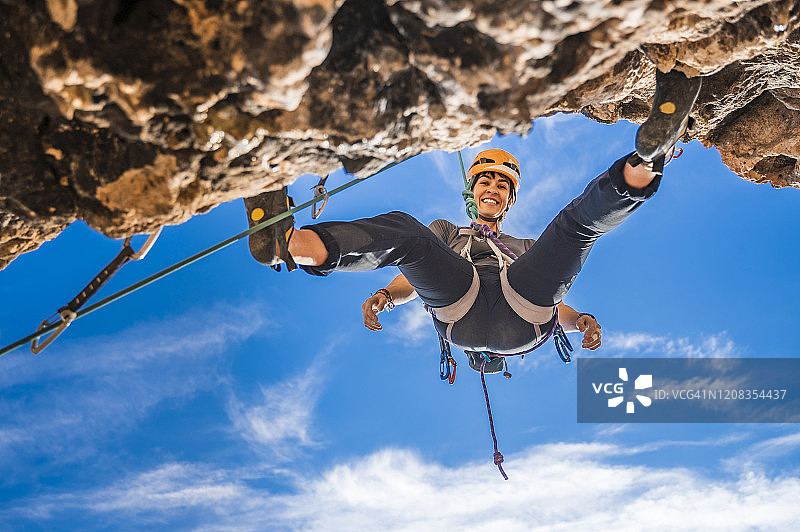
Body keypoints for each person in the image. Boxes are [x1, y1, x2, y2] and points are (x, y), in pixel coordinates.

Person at [243, 68, 701, 369]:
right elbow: (416, 277)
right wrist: (384, 295)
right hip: (472, 305)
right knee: (410, 234)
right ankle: (290, 243)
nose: (494, 189)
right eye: (486, 182)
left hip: (508, 313)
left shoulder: (521, 250)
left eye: (502, 187)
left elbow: (553, 302)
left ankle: (646, 159)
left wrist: (581, 322)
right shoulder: (446, 232)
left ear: (507, 203)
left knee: (571, 229)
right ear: (473, 191)